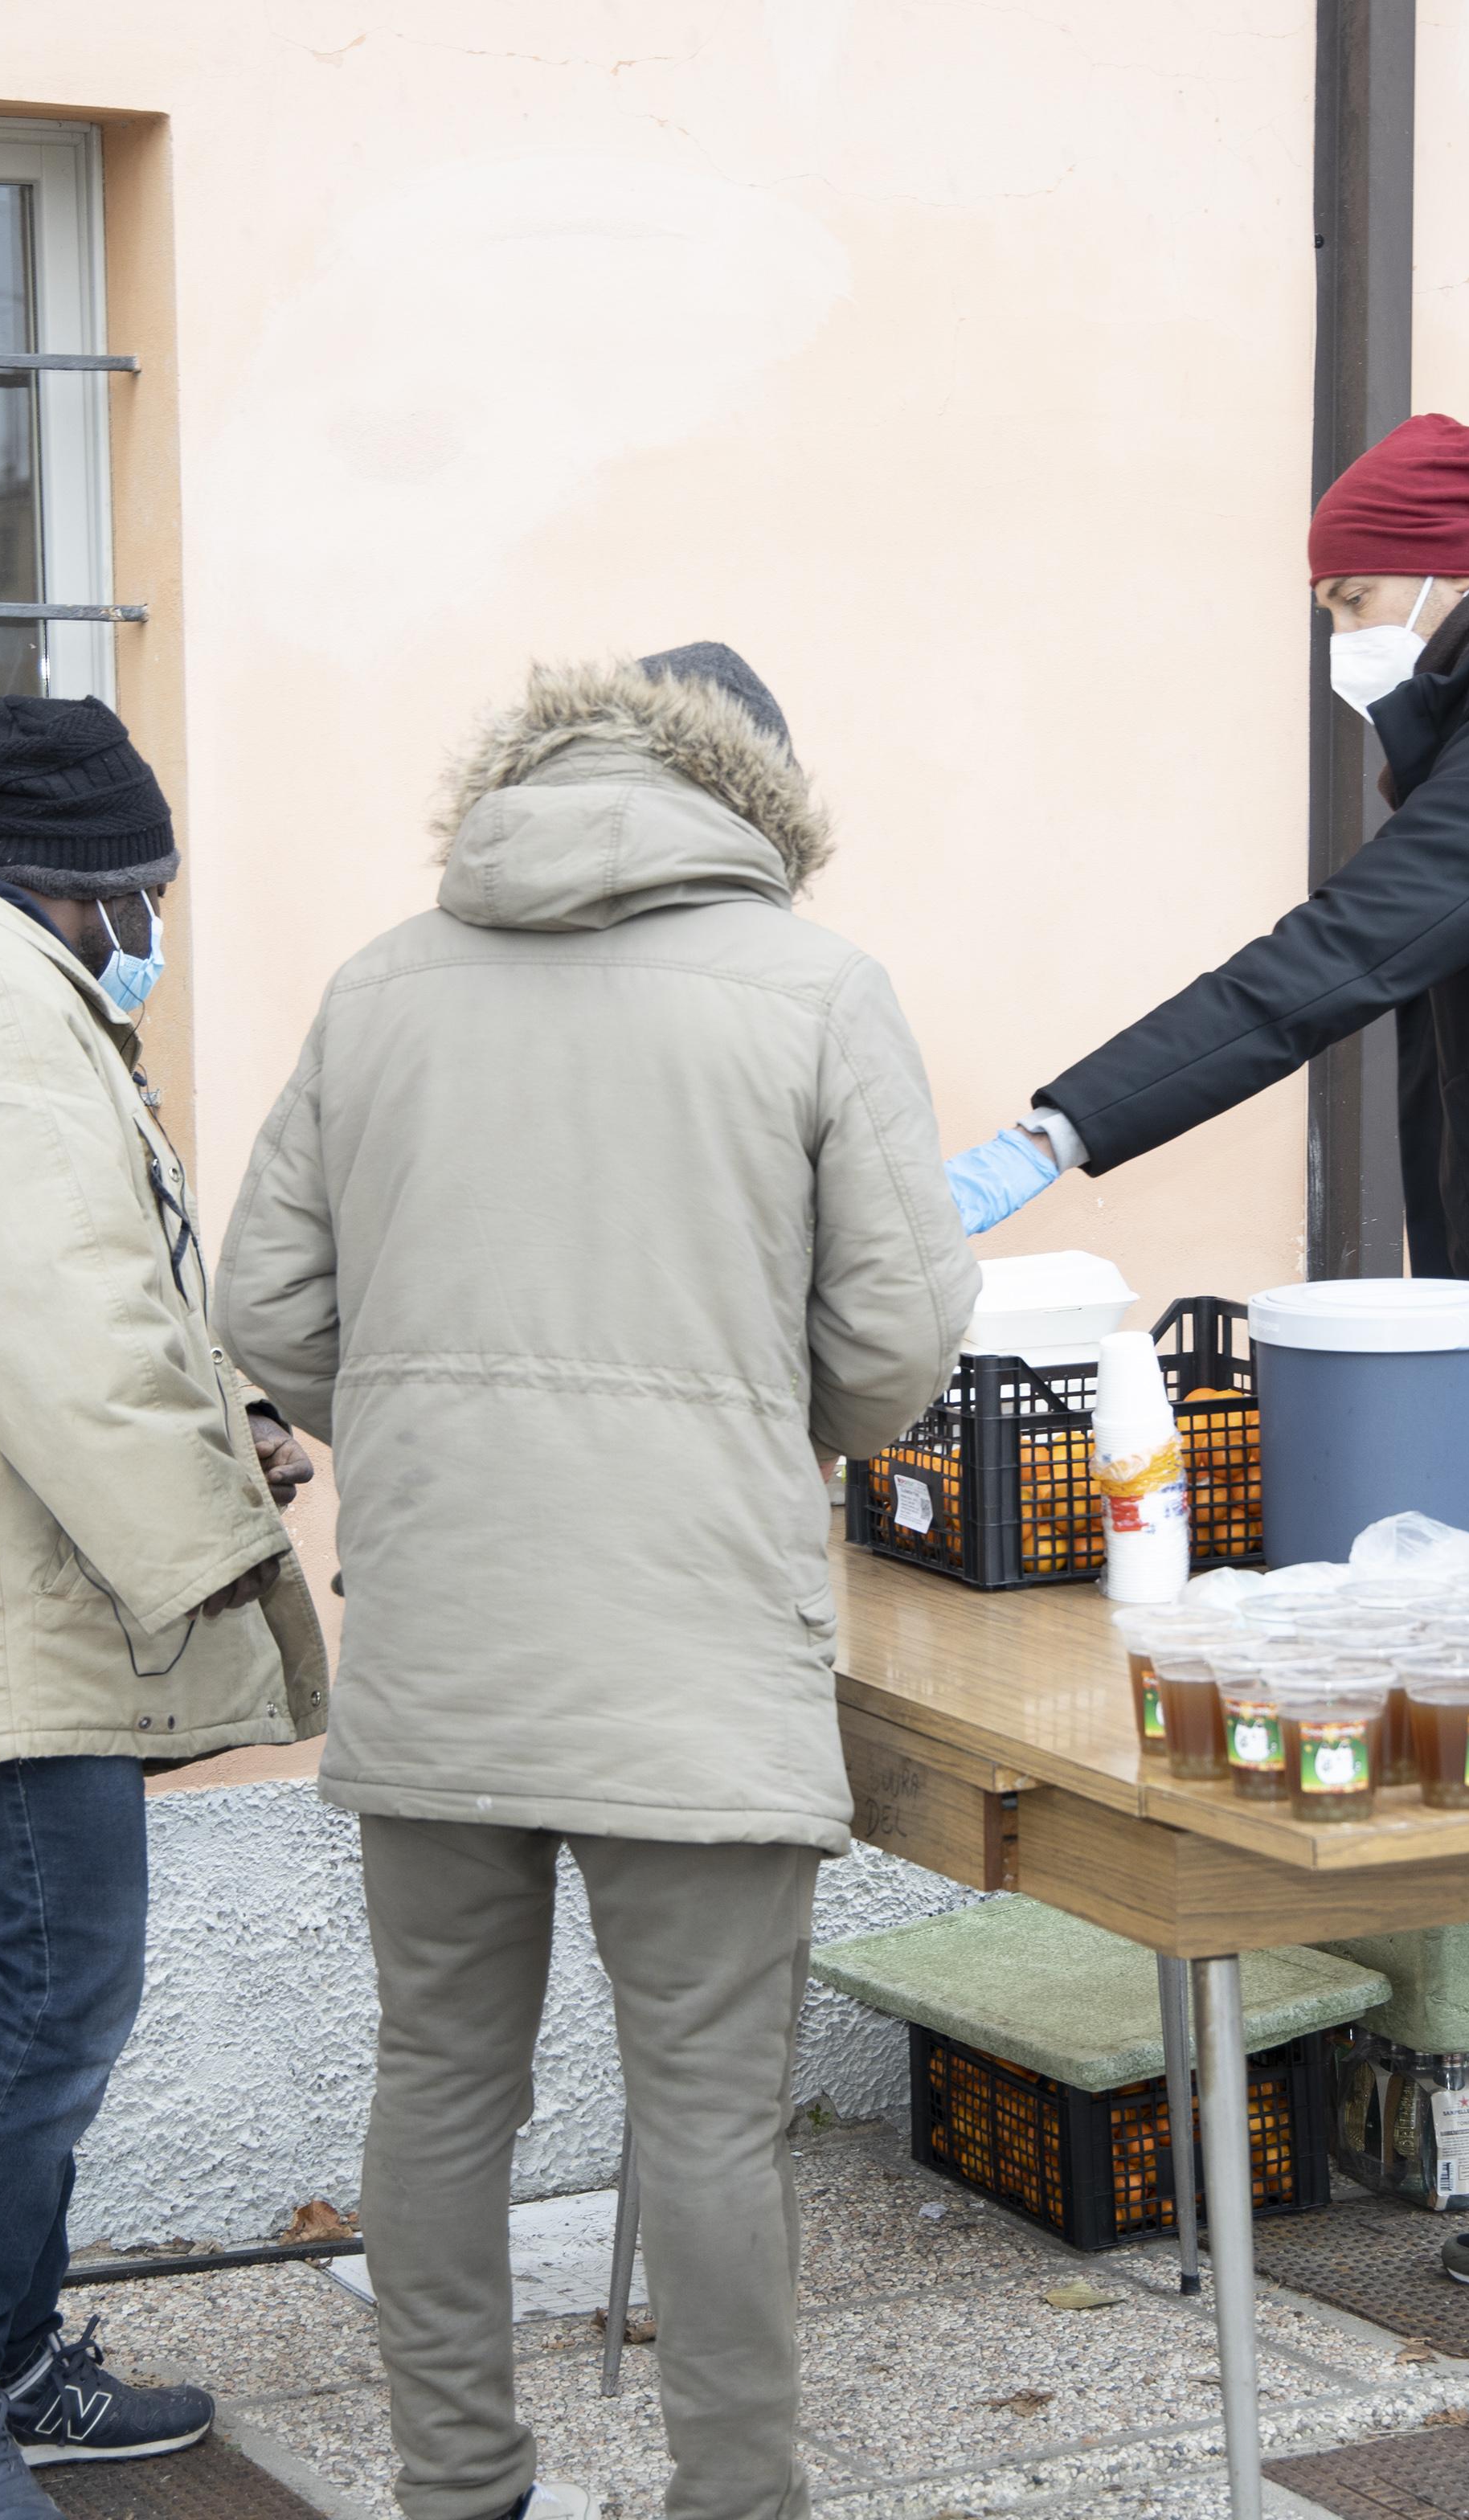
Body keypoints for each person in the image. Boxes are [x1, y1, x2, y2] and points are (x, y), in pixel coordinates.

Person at [948, 415, 1469, 2442]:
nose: (1345, 642)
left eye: (1352, 601)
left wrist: (1051, 1133)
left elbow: (1319, 968)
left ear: (1439, 579)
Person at [217, 645, 976, 2520]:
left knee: (441, 2079)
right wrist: (736, 1405)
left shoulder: (382, 983)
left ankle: (457, 2489)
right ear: (760, 800)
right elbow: (893, 1351)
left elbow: (267, 1308)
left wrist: (424, 1414)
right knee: (710, 2115)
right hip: (695, 1630)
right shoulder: (816, 989)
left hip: (443, 1623)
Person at [0, 693, 331, 2520]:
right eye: (152, 894)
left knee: (10, 1977)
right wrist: (207, 1538)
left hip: (20, 1582)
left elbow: (111, 1291)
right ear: (88, 886)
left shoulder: (0, 1001)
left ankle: (8, 2351)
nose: (158, 929)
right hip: (9, 1603)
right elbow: (51, 1327)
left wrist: (232, 1419)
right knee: (55, 1983)